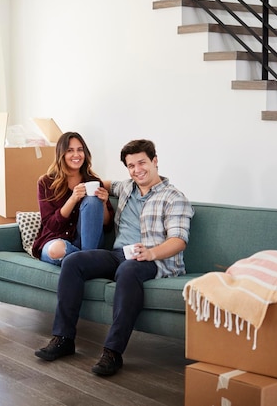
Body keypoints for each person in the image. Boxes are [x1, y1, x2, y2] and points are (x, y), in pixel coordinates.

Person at [34, 139, 194, 376]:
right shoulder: (127, 187)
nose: (137, 170)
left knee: (127, 271)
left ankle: (112, 352)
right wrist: (89, 189)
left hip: (151, 260)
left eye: (142, 163)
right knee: (73, 261)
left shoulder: (174, 198)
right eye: (131, 166)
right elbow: (100, 183)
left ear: (155, 161)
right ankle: (63, 338)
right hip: (118, 254)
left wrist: (150, 252)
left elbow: (178, 241)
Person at [32, 132, 114, 265]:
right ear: (61, 154)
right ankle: (89, 262)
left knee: (92, 201)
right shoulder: (46, 183)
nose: (76, 155)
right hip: (57, 239)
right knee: (56, 250)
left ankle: (86, 260)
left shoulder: (94, 181)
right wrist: (73, 199)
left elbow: (107, 226)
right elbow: (51, 224)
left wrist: (103, 204)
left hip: (89, 242)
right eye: (70, 150)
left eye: (80, 150)